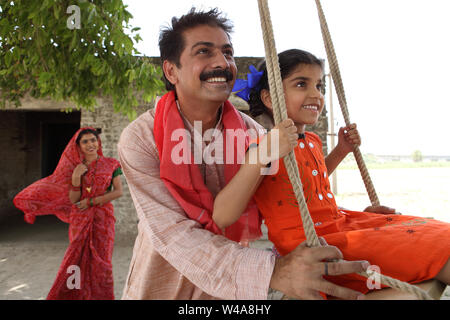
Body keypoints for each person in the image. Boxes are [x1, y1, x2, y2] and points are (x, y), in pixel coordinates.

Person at [118, 8, 369, 300]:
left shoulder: (255, 136)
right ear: (171, 70)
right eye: (204, 52)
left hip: (231, 292)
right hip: (161, 283)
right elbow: (174, 234)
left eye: (227, 53)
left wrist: (360, 223)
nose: (221, 63)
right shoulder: (141, 139)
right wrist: (273, 272)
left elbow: (294, 194)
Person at [216, 48, 450, 297]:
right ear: (270, 98)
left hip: (341, 223)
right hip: (316, 239)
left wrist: (341, 150)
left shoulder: (313, 140)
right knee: (438, 245)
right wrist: (262, 155)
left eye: (319, 86)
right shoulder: (265, 146)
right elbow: (222, 215)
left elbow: (311, 180)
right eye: (301, 84)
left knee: (433, 229)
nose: (315, 94)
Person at [14, 127, 123, 299]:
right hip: (80, 218)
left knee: (103, 261)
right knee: (76, 257)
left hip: (103, 219)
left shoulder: (111, 164)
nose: (90, 144)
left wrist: (91, 201)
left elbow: (118, 192)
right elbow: (73, 199)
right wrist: (75, 178)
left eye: (93, 140)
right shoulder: (75, 168)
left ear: (98, 142)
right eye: (85, 141)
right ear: (78, 146)